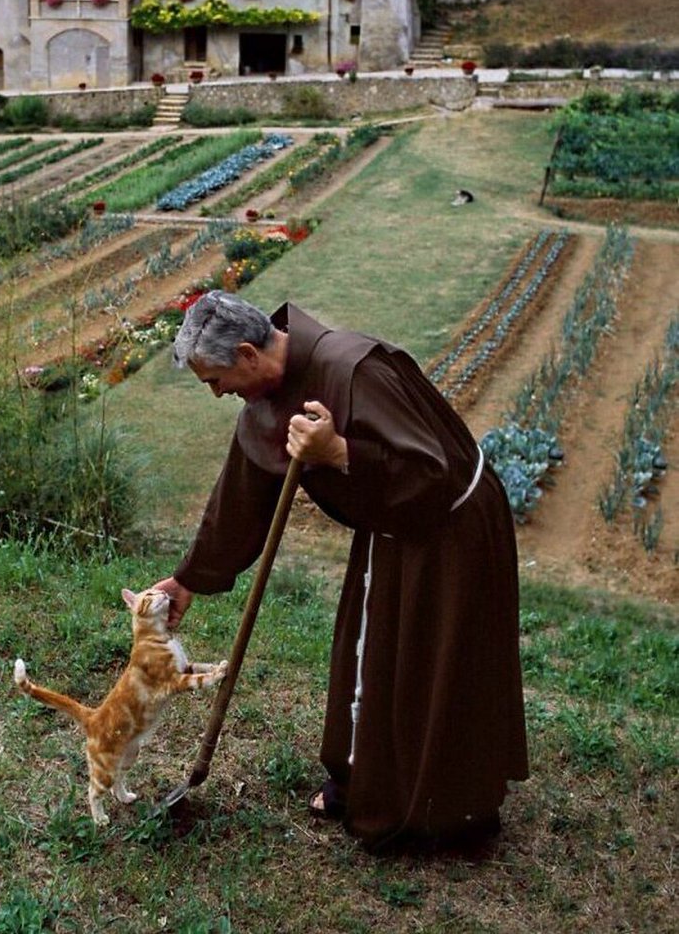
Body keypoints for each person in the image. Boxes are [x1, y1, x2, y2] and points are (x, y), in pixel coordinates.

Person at [152, 291, 528, 853]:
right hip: (390, 528)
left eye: (216, 380)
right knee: (372, 653)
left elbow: (435, 474)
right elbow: (239, 502)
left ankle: (446, 812)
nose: (217, 393)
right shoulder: (265, 399)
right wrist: (187, 580)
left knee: (435, 669)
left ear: (250, 354)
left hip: (450, 532)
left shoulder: (356, 369)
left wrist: (341, 453)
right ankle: (364, 777)